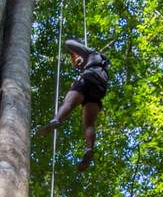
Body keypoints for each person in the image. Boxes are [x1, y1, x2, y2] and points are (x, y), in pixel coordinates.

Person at [36, 39, 110, 172]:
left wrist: (76, 51)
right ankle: (89, 148)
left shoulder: (91, 53)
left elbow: (68, 43)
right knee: (89, 124)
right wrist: (79, 63)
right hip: (99, 88)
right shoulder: (102, 65)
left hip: (88, 79)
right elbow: (82, 64)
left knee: (68, 103)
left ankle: (56, 120)